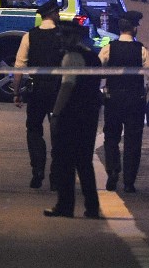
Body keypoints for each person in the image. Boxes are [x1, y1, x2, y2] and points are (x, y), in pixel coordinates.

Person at [44, 21, 103, 218]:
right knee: (84, 163)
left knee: (64, 162)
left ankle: (65, 205)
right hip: (89, 115)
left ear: (74, 37)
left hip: (71, 116)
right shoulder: (94, 58)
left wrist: (56, 113)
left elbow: (67, 87)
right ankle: (92, 207)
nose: (61, 38)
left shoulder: (70, 57)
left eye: (64, 35)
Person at [99, 10, 149, 193]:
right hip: (135, 99)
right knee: (133, 141)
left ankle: (113, 170)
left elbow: (95, 68)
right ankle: (129, 181)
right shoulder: (141, 49)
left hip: (113, 98)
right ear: (134, 29)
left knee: (111, 137)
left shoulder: (109, 48)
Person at [12, 0, 64, 189]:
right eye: (57, 12)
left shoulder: (30, 36)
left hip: (37, 89)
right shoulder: (63, 36)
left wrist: (16, 92)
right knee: (59, 133)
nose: (59, 15)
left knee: (34, 130)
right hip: (59, 90)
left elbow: (19, 67)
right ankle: (56, 176)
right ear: (51, 14)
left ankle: (38, 169)